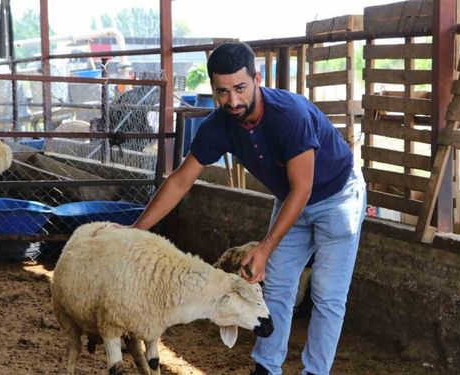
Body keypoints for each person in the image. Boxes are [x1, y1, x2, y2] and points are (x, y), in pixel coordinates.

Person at [132, 41, 366, 375]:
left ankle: (315, 372)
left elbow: (303, 188)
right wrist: (136, 232)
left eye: (240, 88)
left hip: (337, 196)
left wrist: (266, 246)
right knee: (277, 287)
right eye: (222, 91)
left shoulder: (290, 115)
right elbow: (181, 180)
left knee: (328, 295)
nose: (233, 100)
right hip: (292, 201)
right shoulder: (219, 124)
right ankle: (266, 367)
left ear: (257, 78)